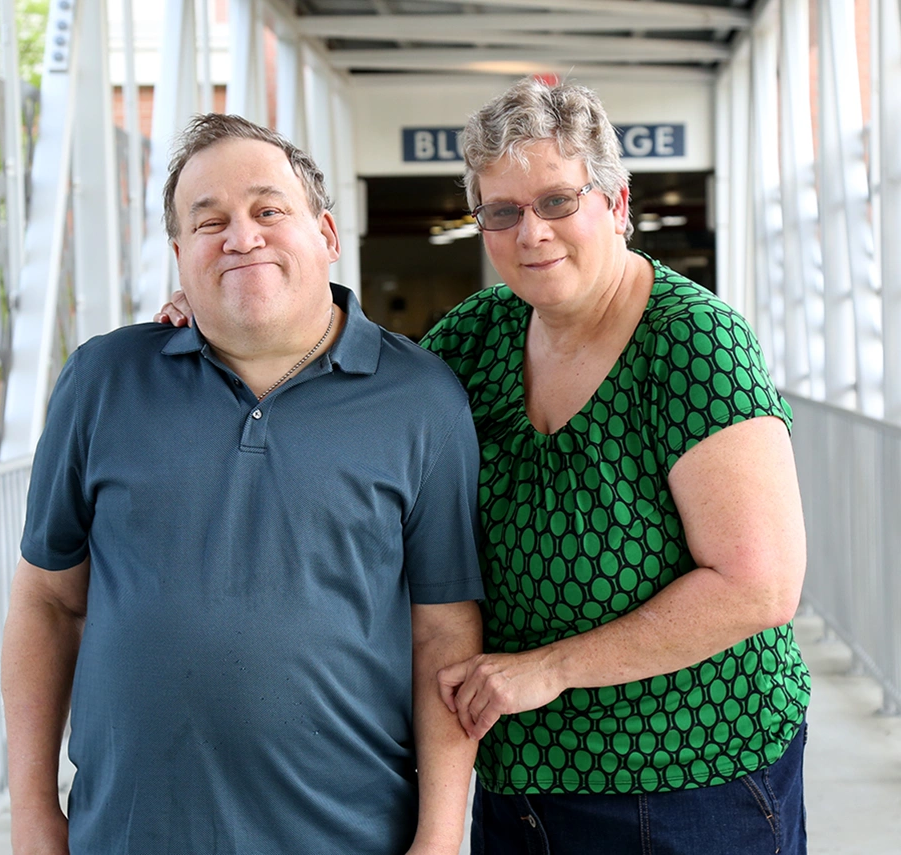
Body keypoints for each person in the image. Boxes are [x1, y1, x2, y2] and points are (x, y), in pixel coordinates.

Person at [158, 79, 810, 854]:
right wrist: (235, 301)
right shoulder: (477, 336)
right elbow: (345, 383)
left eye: (558, 202)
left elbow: (759, 585)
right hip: (519, 789)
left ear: (616, 203)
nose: (531, 232)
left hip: (691, 786)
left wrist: (551, 669)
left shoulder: (695, 342)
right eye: (502, 211)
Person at [2, 113, 484, 855]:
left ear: (325, 233)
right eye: (209, 221)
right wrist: (33, 812)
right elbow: (47, 602)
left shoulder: (422, 399)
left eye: (268, 210)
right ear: (179, 255)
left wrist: (441, 834)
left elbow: (443, 630)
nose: (240, 236)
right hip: (129, 835)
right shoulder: (102, 380)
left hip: (350, 835)